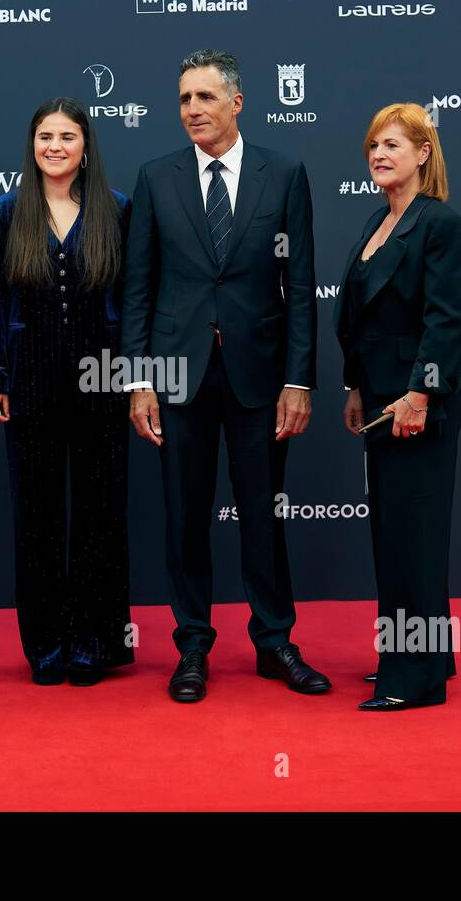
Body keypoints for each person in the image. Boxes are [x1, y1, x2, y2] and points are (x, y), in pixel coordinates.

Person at [121, 49, 329, 702]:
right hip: (177, 375)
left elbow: (300, 286)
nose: (192, 111)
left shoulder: (286, 174)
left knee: (263, 516)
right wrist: (138, 380)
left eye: (204, 98)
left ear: (236, 102)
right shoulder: (157, 179)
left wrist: (299, 380)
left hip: (260, 378)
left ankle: (275, 642)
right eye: (183, 99)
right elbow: (138, 288)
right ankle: (192, 647)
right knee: (184, 517)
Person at [0, 97, 134, 686]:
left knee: (100, 515)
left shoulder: (117, 211)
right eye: (46, 136)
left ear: (86, 146)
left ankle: (94, 641)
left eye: (68, 137)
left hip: (105, 383)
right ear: (32, 145)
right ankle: (45, 644)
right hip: (29, 384)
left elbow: (134, 299)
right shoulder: (4, 212)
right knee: (38, 517)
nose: (56, 147)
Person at [333, 102, 461, 711]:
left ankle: (413, 680)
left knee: (413, 533)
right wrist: (355, 387)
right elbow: (363, 319)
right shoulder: (377, 222)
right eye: (373, 146)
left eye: (393, 145)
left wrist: (420, 392)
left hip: (420, 402)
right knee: (395, 531)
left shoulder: (439, 224)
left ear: (423, 154)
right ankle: (424, 651)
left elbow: (446, 320)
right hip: (381, 399)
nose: (380, 155)